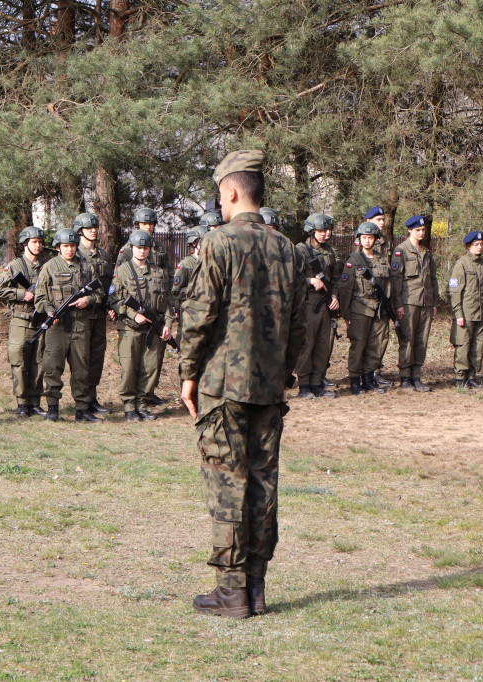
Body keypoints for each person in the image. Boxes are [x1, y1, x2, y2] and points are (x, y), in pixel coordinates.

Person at [180, 149, 306, 619]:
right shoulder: (288, 249)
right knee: (262, 485)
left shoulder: (219, 243)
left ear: (231, 191)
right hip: (269, 389)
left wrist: (188, 375)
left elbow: (198, 318)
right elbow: (298, 327)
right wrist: (283, 370)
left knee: (227, 484)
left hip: (223, 388)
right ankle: (255, 588)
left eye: (219, 192)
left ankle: (231, 592)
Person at [34, 227, 100, 422]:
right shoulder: (49, 267)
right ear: (58, 248)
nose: (70, 250)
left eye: (72, 246)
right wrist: (48, 310)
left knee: (81, 368)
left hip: (81, 324)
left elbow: (99, 293)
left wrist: (87, 300)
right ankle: (52, 408)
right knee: (52, 367)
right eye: (65, 246)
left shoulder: (87, 266)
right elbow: (40, 296)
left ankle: (82, 409)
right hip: (57, 326)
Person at [109, 229, 174, 421]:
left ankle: (143, 404)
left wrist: (169, 324)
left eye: (146, 248)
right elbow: (114, 300)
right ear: (132, 248)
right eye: (138, 248)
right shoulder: (122, 271)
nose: (142, 252)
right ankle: (129, 407)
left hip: (154, 329)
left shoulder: (159, 273)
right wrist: (132, 314)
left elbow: (168, 300)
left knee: (150, 367)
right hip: (130, 328)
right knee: (129, 367)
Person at [0, 226, 47, 417]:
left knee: (38, 361)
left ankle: (35, 401)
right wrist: (21, 294)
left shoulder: (46, 266)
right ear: (25, 243)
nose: (38, 245)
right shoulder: (15, 266)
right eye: (34, 242)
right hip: (20, 319)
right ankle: (22, 403)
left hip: (40, 320)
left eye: (40, 242)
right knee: (19, 361)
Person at [337, 222, 391, 395]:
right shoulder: (353, 261)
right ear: (359, 239)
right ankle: (354, 379)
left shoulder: (382, 259)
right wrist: (345, 313)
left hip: (379, 309)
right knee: (358, 345)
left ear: (375, 239)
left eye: (370, 238)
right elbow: (345, 289)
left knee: (377, 344)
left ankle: (368, 378)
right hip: (360, 308)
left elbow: (389, 285)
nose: (367, 241)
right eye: (364, 238)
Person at [294, 213, 340, 399]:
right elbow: (292, 277)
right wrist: (310, 280)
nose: (326, 234)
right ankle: (304, 385)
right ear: (311, 231)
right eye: (322, 231)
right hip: (308, 303)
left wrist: (335, 295)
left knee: (323, 345)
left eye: (328, 231)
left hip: (326, 304)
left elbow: (336, 278)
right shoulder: (300, 251)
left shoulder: (331, 252)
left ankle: (317, 382)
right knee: (307, 344)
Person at [391, 215, 438, 391]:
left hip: (425, 302)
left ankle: (416, 376)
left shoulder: (427, 252)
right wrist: (399, 304)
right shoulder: (401, 250)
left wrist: (433, 302)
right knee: (407, 339)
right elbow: (396, 280)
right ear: (410, 230)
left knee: (421, 340)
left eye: (423, 230)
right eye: (417, 230)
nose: (420, 233)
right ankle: (405, 377)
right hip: (409, 302)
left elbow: (432, 279)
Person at [74, 212, 113, 415]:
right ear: (80, 231)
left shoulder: (104, 255)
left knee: (97, 357)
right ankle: (81, 400)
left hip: (99, 314)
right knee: (82, 357)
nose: (93, 230)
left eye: (95, 227)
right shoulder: (74, 253)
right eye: (89, 228)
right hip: (81, 314)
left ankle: (92, 396)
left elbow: (108, 285)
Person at [449, 231, 483, 389]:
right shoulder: (461, 264)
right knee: (463, 345)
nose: (479, 247)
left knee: (478, 346)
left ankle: (472, 376)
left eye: (481, 244)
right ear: (468, 246)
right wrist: (458, 313)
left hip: (480, 313)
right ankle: (460, 377)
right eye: (476, 245)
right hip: (466, 314)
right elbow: (454, 291)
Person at [363, 206, 392, 389]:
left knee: (382, 336)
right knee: (366, 336)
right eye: (378, 219)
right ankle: (364, 372)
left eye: (383, 219)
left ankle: (375, 371)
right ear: (368, 222)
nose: (382, 222)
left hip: (384, 295)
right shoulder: (363, 239)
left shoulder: (386, 241)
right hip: (367, 297)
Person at [172, 229, 202, 347]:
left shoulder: (211, 262)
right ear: (194, 244)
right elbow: (176, 291)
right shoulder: (186, 264)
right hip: (188, 310)